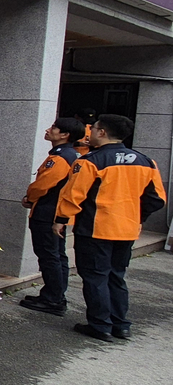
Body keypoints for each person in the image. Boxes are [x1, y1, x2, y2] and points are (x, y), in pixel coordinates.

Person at [55, 114, 167, 342]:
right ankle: (121, 325)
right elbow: (157, 199)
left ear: (102, 132)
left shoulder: (90, 161)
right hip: (127, 229)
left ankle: (100, 325)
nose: (90, 133)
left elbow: (74, 195)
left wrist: (61, 219)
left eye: (93, 129)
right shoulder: (146, 161)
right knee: (116, 276)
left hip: (95, 229)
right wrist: (137, 215)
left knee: (96, 276)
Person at [18, 117, 85, 315]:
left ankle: (53, 299)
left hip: (47, 213)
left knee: (49, 257)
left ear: (65, 135)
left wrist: (29, 197)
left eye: (54, 128)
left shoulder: (60, 158)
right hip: (58, 214)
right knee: (57, 256)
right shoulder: (73, 155)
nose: (49, 130)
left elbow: (42, 185)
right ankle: (55, 295)